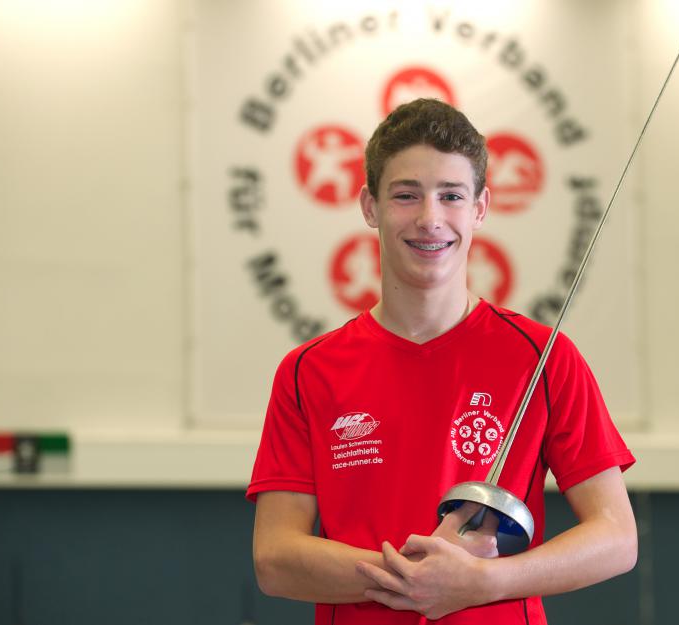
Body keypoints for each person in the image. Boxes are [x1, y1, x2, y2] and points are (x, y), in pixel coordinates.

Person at [247, 98, 637, 624]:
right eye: (406, 195)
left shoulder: (545, 358)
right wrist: (417, 577)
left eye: (451, 196)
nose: (430, 219)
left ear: (480, 207)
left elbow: (617, 537)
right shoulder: (308, 371)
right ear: (370, 206)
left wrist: (483, 582)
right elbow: (275, 559)